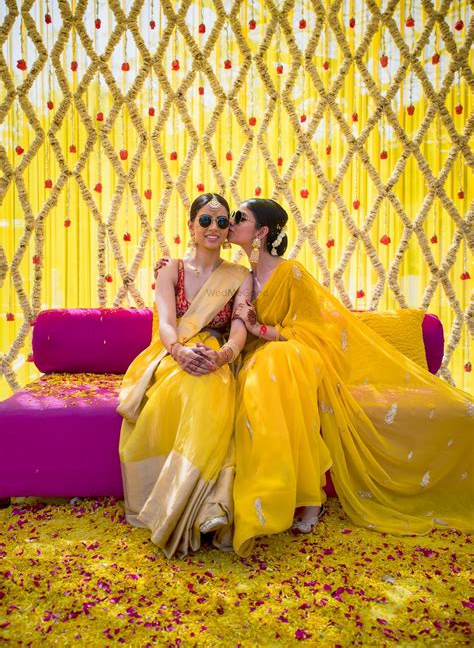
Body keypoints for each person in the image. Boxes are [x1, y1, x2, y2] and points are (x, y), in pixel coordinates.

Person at [228, 198, 473, 557]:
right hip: (262, 360)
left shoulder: (290, 272)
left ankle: (304, 498)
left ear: (261, 232)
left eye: (239, 218)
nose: (231, 223)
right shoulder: (237, 276)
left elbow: (316, 330)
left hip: (295, 355)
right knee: (269, 370)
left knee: (281, 360)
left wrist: (260, 329)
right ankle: (280, 495)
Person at [116, 193, 251, 558]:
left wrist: (223, 356)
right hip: (173, 353)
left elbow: (240, 325)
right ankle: (188, 504)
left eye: (222, 221)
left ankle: (208, 505)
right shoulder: (170, 269)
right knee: (188, 383)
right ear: (191, 226)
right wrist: (180, 352)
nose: (213, 228)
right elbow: (166, 323)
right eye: (205, 220)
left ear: (228, 230)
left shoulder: (239, 276)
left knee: (212, 386)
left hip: (218, 358)